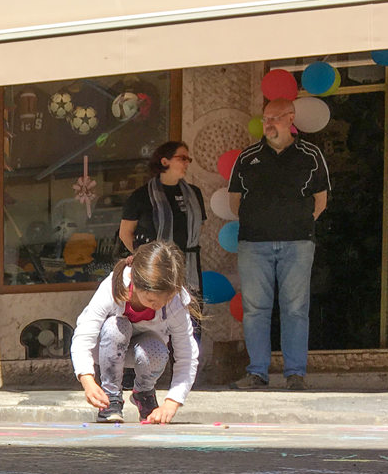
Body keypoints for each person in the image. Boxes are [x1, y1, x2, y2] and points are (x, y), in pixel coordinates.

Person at [228, 98, 330, 391]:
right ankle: (257, 372)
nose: (268, 124)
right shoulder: (248, 157)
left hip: (298, 243)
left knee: (296, 308)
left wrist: (294, 223)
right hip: (254, 244)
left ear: (291, 119)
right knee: (255, 309)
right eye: (265, 118)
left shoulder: (310, 154)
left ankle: (295, 373)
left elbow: (320, 201)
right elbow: (235, 202)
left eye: (274, 118)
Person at [72, 240, 200, 424]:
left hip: (143, 352)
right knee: (116, 327)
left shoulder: (176, 301)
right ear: (133, 279)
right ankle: (111, 397)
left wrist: (172, 402)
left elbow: (187, 354)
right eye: (151, 299)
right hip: (106, 348)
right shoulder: (113, 287)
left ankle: (144, 393)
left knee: (157, 348)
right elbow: (84, 335)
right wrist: (87, 380)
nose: (158, 305)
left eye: (165, 300)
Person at [119, 141, 205, 299]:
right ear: (165, 161)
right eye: (182, 158)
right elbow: (125, 233)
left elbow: (200, 227)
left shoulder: (194, 194)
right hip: (155, 269)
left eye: (188, 159)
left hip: (189, 266)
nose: (187, 163)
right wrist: (146, 260)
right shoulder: (141, 196)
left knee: (191, 317)